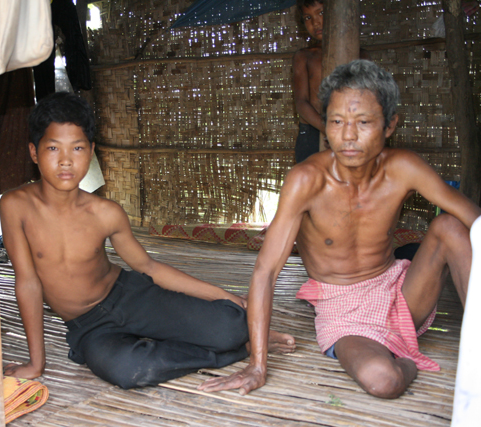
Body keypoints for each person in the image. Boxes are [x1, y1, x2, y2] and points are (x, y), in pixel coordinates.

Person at [199, 60, 481, 399]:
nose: (348, 136)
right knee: (384, 381)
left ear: (390, 125)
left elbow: (474, 218)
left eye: (363, 122)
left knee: (451, 226)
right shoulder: (306, 181)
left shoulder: (404, 168)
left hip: (399, 293)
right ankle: (407, 360)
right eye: (336, 121)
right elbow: (266, 271)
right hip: (343, 310)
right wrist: (257, 366)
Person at [0, 92, 295, 389]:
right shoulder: (15, 207)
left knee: (230, 326)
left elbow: (148, 267)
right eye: (53, 148)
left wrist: (225, 296)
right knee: (130, 371)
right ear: (34, 152)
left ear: (90, 152)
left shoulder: (105, 213)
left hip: (129, 297)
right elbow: (28, 282)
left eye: (77, 148)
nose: (66, 160)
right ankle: (236, 351)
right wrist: (36, 363)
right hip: (89, 326)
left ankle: (236, 337)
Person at [292, 0, 368, 163]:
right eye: (308, 17)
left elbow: (367, 99)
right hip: (312, 132)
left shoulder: (361, 55)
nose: (315, 22)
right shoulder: (304, 56)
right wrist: (327, 127)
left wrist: (344, 129)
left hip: (350, 131)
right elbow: (301, 103)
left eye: (321, 13)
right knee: (311, 178)